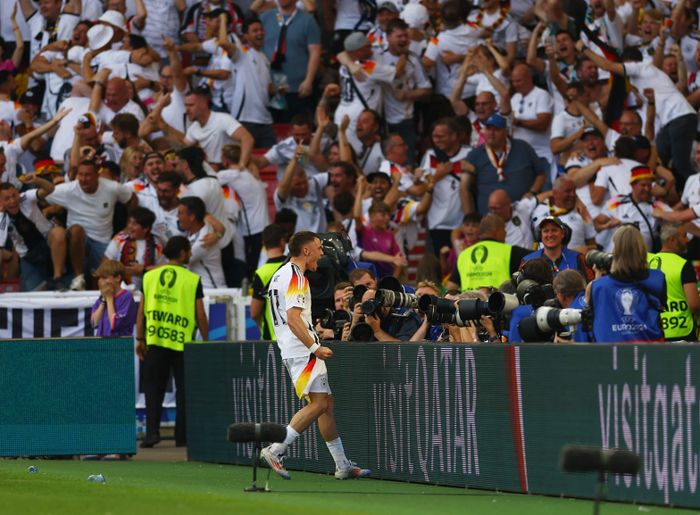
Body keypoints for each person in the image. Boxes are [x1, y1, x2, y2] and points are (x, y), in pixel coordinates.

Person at [260, 231, 371, 480]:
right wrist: (314, 347)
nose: (322, 254)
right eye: (319, 248)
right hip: (302, 350)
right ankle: (275, 449)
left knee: (326, 405)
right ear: (306, 250)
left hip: (293, 348)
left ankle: (342, 465)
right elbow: (293, 319)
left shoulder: (280, 273)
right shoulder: (297, 277)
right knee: (320, 404)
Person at [136, 236, 209, 448]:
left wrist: (140, 338)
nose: (191, 254)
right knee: (184, 391)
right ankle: (182, 437)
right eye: (189, 250)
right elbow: (200, 314)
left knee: (153, 390)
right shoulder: (192, 279)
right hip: (183, 343)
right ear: (182, 252)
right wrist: (206, 341)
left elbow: (141, 312)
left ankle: (151, 434)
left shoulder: (149, 276)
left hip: (155, 340)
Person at [45, 159, 136, 290]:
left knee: (111, 281)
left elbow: (132, 198)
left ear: (97, 175)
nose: (83, 179)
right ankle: (78, 278)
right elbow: (41, 195)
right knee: (76, 230)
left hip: (102, 242)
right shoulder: (69, 189)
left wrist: (130, 224)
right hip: (76, 240)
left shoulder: (112, 187)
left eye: (88, 175)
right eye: (81, 175)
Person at [588, 225, 666, 343]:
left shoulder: (598, 286)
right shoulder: (657, 278)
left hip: (611, 350)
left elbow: (592, 315)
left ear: (615, 250)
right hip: (650, 348)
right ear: (642, 248)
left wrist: (597, 279)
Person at [448, 214, 531, 292]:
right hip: (499, 301)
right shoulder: (510, 251)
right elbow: (536, 257)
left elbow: (451, 287)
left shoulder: (463, 255)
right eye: (503, 229)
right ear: (497, 232)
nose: (505, 233)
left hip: (468, 301)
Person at [647, 222, 700, 341]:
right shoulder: (683, 265)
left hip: (655, 331)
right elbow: (694, 306)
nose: (687, 240)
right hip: (682, 332)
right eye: (684, 236)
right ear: (671, 240)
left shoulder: (648, 262)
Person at [521, 216, 590, 280]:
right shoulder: (527, 261)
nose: (550, 235)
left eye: (554, 230)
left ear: (563, 234)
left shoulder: (578, 258)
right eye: (546, 231)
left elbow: (590, 285)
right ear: (540, 235)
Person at [250, 224, 287, 340]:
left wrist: (263, 326)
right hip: (295, 338)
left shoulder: (261, 273)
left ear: (264, 244)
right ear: (282, 241)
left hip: (271, 338)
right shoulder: (294, 267)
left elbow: (254, 312)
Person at [90, 260, 137, 337]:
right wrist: (103, 301)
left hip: (119, 343)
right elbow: (94, 323)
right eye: (99, 278)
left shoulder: (126, 297)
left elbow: (114, 325)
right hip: (101, 342)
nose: (100, 281)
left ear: (118, 278)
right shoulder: (101, 298)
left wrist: (109, 298)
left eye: (104, 277)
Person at [552, 269, 590, 342]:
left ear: (561, 296)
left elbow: (583, 346)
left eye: (556, 294)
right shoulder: (590, 298)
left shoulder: (573, 313)